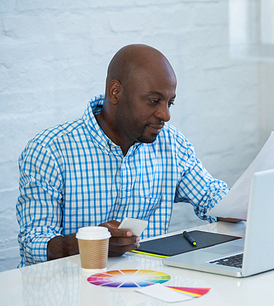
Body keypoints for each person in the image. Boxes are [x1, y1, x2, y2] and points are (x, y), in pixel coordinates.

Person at [17, 44, 235, 267]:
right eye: (153, 101)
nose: (165, 115)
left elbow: (211, 197)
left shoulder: (171, 143)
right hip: (70, 291)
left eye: (170, 103)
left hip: (144, 289)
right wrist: (92, 243)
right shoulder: (49, 151)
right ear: (115, 92)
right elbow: (33, 244)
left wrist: (244, 205)